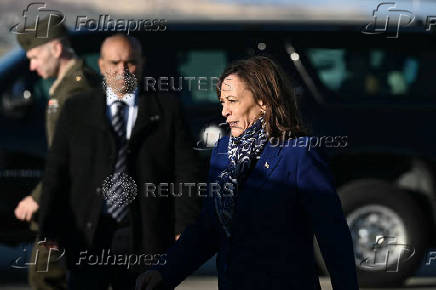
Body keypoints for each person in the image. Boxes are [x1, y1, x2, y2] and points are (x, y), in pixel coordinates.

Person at [136, 56, 359, 290]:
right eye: (222, 102)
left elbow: (332, 235)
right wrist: (164, 272)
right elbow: (209, 228)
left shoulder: (299, 153)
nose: (224, 112)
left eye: (232, 101)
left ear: (263, 101)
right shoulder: (223, 152)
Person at [38, 33, 201, 290]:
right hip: (88, 234)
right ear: (101, 65)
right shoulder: (76, 109)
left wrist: (184, 226)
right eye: (114, 63)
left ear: (142, 63)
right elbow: (57, 170)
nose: (122, 70)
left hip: (145, 234)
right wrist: (49, 225)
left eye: (130, 62)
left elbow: (186, 172)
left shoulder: (166, 109)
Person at [13, 17, 99, 290]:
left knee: (45, 275)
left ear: (57, 49)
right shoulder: (63, 87)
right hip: (65, 197)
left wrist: (39, 198)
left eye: (35, 57)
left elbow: (74, 156)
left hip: (71, 201)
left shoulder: (77, 89)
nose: (32, 66)